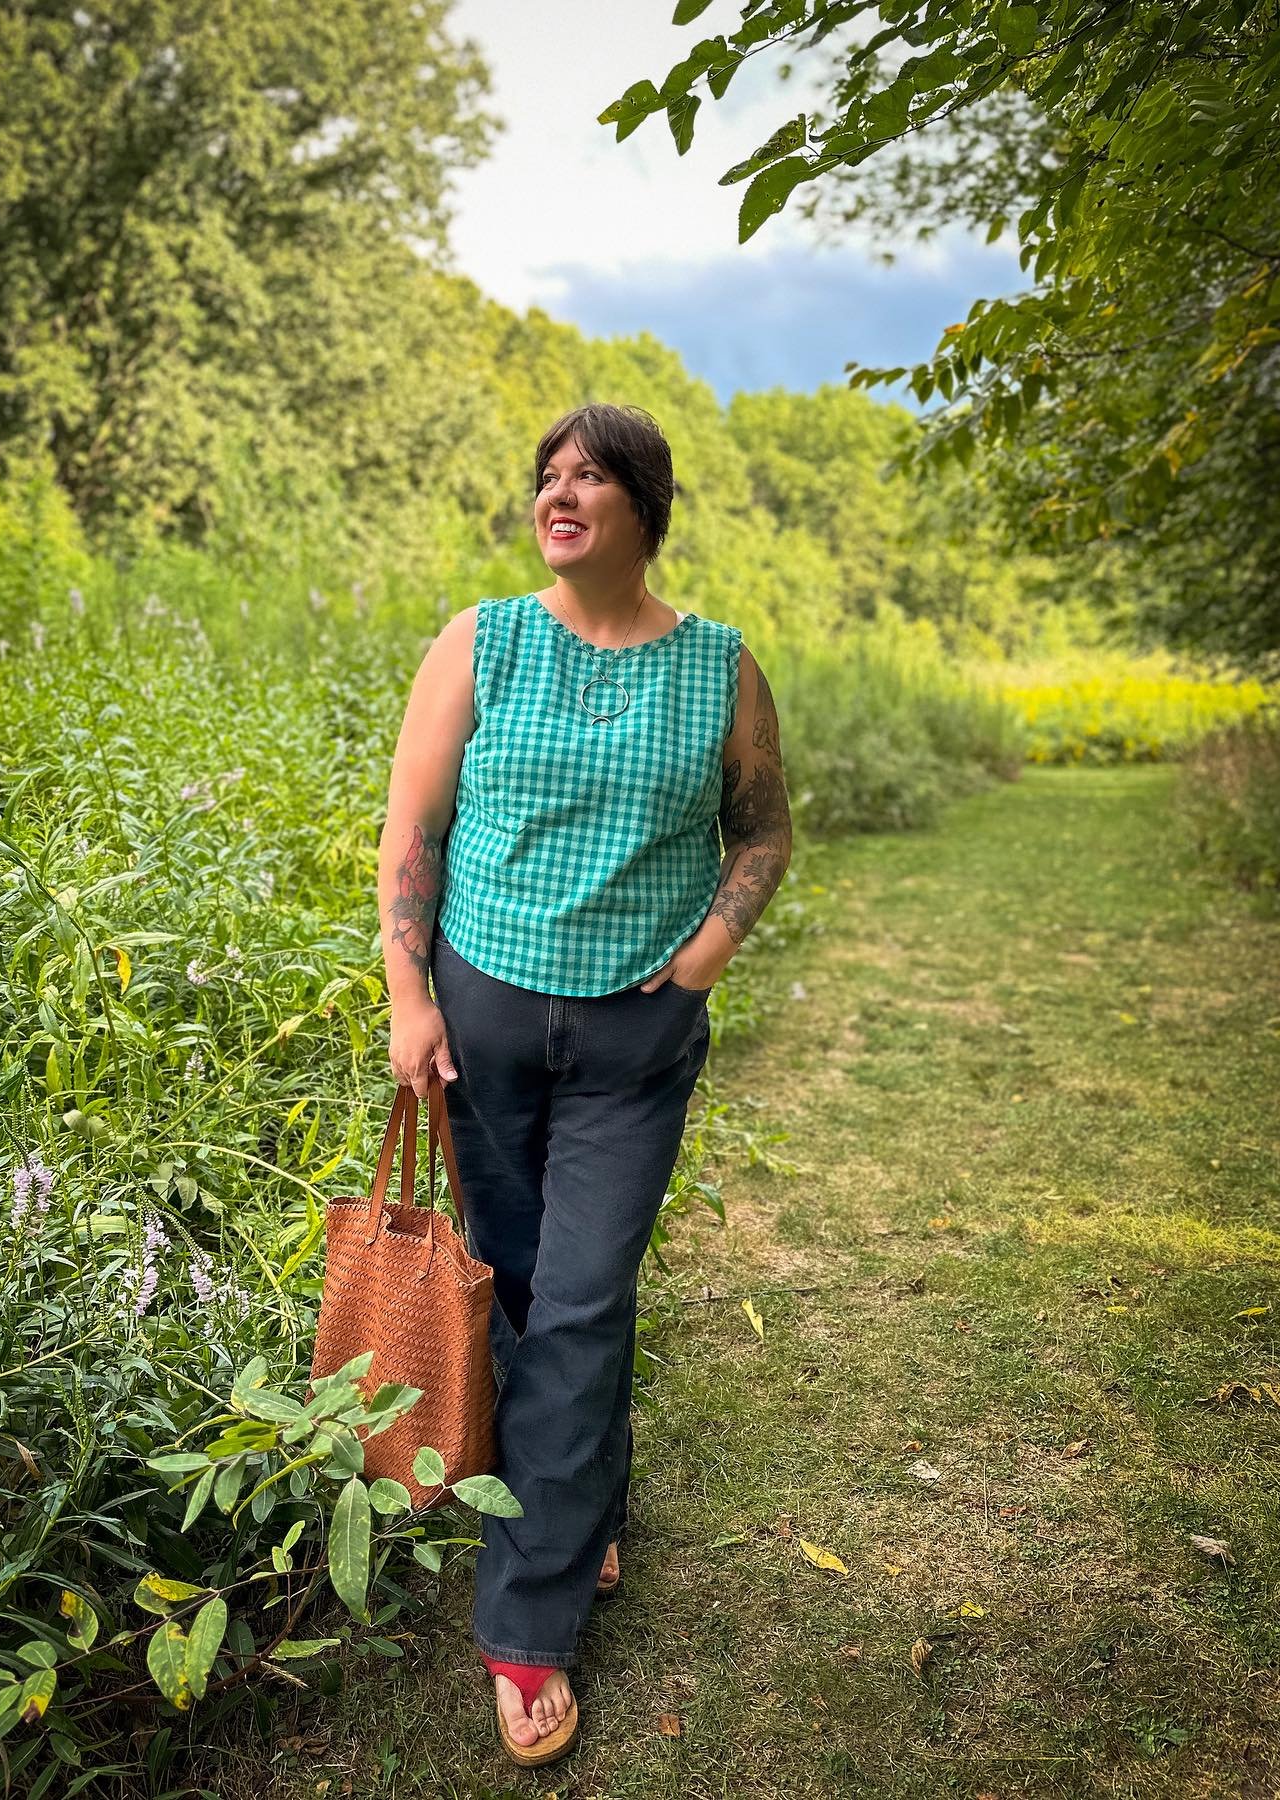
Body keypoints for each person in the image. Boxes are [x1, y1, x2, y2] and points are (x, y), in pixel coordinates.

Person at [377, 401, 792, 1766]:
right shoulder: (479, 640)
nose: (562, 492)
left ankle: (527, 1623)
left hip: (634, 1042)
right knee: (518, 1287)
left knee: (586, 1302)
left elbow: (764, 829)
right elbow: (414, 826)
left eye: (591, 476)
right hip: (485, 1017)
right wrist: (406, 993)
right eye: (548, 473)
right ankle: (582, 1504)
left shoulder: (719, 667)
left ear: (644, 509)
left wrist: (705, 958)